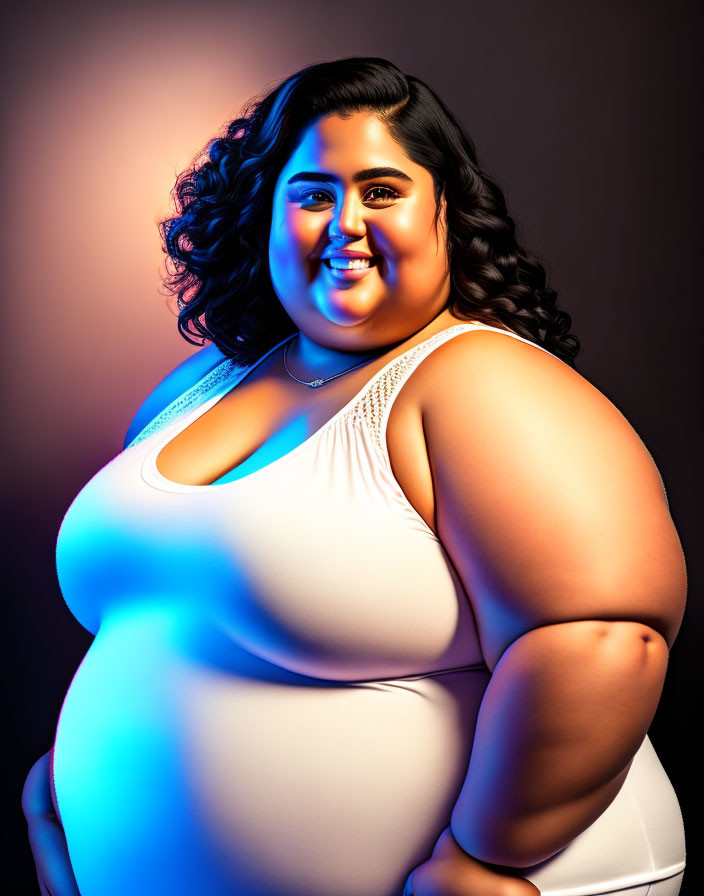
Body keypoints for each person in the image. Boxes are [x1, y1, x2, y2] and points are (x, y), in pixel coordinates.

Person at [22, 57, 687, 896]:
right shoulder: (198, 390)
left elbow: (600, 638)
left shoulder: (483, 383)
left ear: (446, 213)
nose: (345, 223)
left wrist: (483, 860)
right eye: (311, 194)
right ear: (265, 215)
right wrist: (72, 801)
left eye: (381, 190)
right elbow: (162, 620)